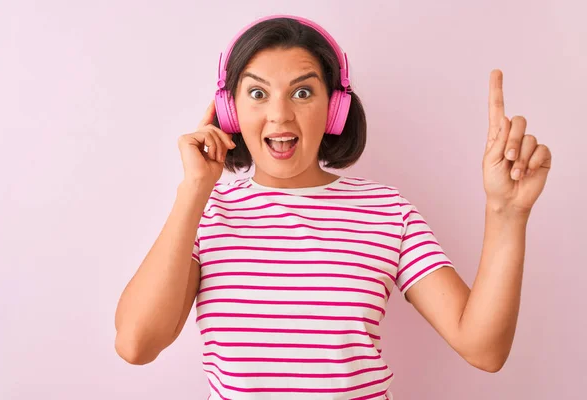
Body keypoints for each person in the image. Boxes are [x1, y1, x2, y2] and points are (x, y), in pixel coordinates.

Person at [114, 14, 552, 399]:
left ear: (335, 109)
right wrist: (195, 190)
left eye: (303, 93)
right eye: (257, 94)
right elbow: (136, 345)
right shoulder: (205, 213)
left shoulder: (388, 212)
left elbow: (484, 348)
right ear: (229, 110)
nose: (280, 116)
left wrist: (507, 213)